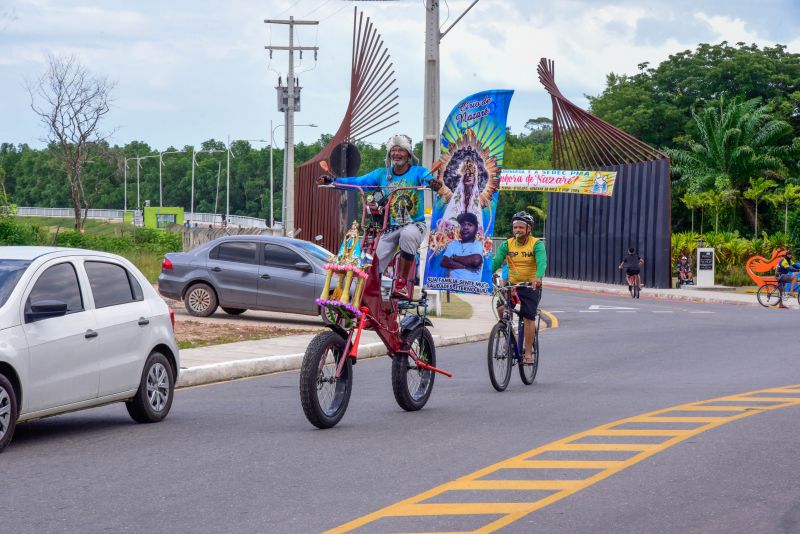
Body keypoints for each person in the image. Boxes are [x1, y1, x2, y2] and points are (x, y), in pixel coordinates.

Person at [323, 134, 442, 299]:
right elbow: (358, 182)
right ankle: (366, 298)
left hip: (414, 226)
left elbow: (428, 179)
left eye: (401, 150)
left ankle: (401, 283)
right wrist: (333, 182)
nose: (396, 154)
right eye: (393, 150)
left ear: (408, 154)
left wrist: (433, 184)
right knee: (372, 264)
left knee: (408, 234)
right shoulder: (381, 174)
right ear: (389, 154)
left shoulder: (418, 172)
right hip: (390, 228)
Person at [491, 211, 546, 364]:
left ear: (529, 229)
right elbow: (496, 261)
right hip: (511, 286)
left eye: (521, 227)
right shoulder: (506, 244)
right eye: (515, 227)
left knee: (528, 316)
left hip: (530, 286)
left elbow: (542, 262)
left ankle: (528, 353)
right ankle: (508, 332)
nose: (517, 230)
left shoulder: (537, 244)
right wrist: (484, 275)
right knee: (502, 308)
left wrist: (538, 277)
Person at [441, 158, 484, 230]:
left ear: (475, 178)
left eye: (471, 174)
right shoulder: (457, 197)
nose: (468, 176)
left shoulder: (474, 198)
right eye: (466, 174)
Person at [441, 212, 484, 281]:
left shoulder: (478, 244)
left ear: (476, 229)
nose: (465, 227)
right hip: (452, 288)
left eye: (470, 225)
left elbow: (476, 261)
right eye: (463, 224)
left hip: (471, 290)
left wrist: (454, 257)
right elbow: (444, 261)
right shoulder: (454, 243)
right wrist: (465, 266)